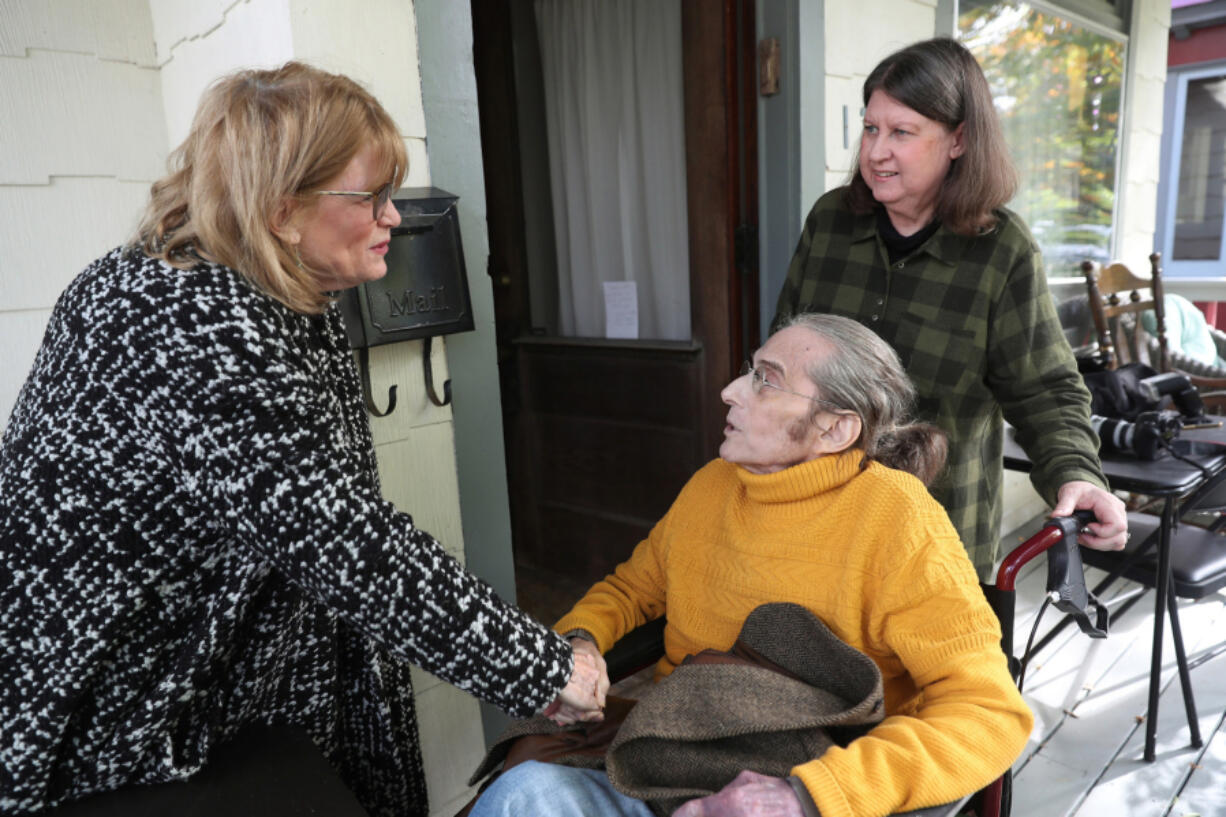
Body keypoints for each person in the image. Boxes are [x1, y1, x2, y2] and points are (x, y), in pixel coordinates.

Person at [0, 62, 604, 817]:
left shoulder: (287, 291)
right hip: (123, 713)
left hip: (221, 688)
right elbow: (335, 532)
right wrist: (538, 665)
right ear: (283, 209)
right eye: (372, 197)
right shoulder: (185, 315)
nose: (394, 217)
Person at [471, 313, 1034, 817]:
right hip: (669, 758)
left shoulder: (897, 520)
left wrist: (806, 797)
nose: (730, 390)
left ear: (834, 429)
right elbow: (632, 589)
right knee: (521, 795)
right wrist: (580, 641)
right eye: (750, 370)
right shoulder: (713, 485)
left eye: (766, 379)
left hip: (803, 778)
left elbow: (988, 712)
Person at [772, 37, 1127, 579]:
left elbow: (1045, 391)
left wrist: (1076, 474)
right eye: (870, 128)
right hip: (814, 517)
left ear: (958, 140)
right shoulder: (830, 222)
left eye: (901, 133)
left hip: (933, 535)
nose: (875, 152)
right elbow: (780, 355)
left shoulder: (1001, 251)